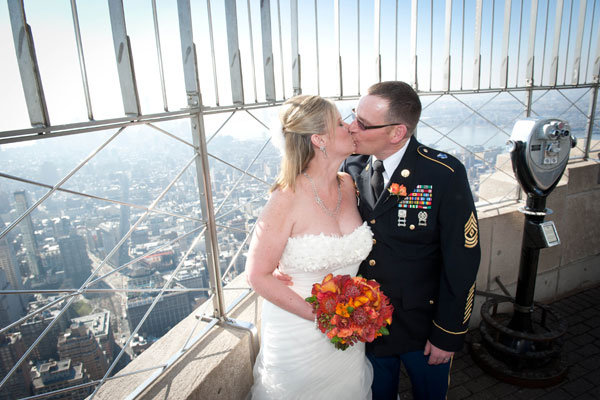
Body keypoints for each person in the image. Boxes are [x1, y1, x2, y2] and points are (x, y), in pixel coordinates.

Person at [341, 81, 481, 399]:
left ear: (397, 132)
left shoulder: (442, 174)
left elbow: (463, 259)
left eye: (362, 123)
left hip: (423, 327)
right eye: (354, 116)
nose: (352, 127)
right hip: (370, 325)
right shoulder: (352, 165)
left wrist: (449, 332)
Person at [246, 95, 374, 399]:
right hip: (298, 333)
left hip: (347, 331)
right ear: (319, 139)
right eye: (341, 124)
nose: (351, 128)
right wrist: (323, 318)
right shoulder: (285, 197)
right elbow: (257, 275)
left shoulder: (347, 184)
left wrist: (349, 316)